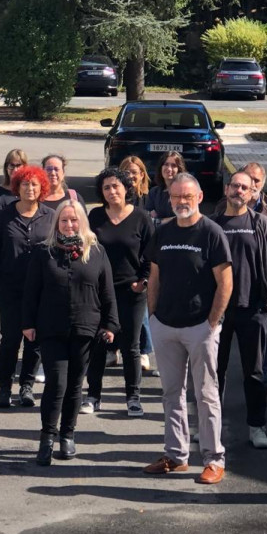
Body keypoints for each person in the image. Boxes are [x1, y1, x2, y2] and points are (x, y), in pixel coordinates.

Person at [142, 173, 232, 485]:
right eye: (176, 196)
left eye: (187, 196)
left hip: (200, 328)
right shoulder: (163, 232)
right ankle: (177, 455)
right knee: (171, 393)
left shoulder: (211, 232)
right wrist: (153, 316)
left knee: (206, 395)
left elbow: (225, 282)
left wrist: (212, 322)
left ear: (199, 196)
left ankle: (213, 459)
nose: (182, 201)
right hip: (165, 325)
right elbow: (154, 276)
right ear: (169, 197)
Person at [23, 201, 118, 465]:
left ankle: (68, 435)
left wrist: (110, 325)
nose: (69, 225)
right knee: (57, 383)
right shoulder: (44, 252)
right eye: (64, 221)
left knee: (76, 385)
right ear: (57, 224)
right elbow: (31, 290)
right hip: (51, 328)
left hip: (85, 327)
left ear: (82, 222)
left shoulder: (96, 251)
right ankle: (47, 438)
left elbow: (107, 290)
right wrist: (28, 323)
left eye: (74, 220)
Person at [211, 171, 267, 450]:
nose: (239, 191)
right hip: (218, 311)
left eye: (245, 187)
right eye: (235, 186)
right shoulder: (213, 224)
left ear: (253, 192)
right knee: (215, 371)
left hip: (253, 309)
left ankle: (257, 426)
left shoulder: (262, 224)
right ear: (227, 189)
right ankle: (210, 425)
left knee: (254, 373)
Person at [86, 167, 153, 417]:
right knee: (98, 345)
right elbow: (86, 249)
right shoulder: (94, 217)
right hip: (100, 292)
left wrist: (143, 280)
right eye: (106, 187)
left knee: (131, 347)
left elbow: (150, 253)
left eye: (116, 186)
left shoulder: (141, 218)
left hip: (132, 291)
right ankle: (93, 396)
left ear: (127, 188)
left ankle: (133, 398)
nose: (112, 191)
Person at [0, 165, 54, 408]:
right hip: (11, 289)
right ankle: (4, 388)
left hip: (40, 291)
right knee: (10, 340)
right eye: (25, 184)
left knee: (34, 341)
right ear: (18, 187)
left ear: (42, 188)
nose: (30, 188)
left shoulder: (50, 216)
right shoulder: (5, 215)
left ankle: (27, 387)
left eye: (35, 184)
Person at [119, 155, 158, 377]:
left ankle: (143, 350)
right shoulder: (117, 196)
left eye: (135, 172)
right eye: (126, 172)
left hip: (142, 260)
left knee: (140, 311)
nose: (131, 176)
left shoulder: (147, 199)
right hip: (120, 261)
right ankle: (112, 348)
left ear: (142, 175)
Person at [145, 151, 186, 221]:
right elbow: (147, 219)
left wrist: (160, 221)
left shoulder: (185, 192)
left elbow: (184, 218)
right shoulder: (154, 192)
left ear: (179, 169)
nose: (169, 169)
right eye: (166, 164)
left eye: (173, 166)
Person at [0, 149, 28, 222]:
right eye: (11, 165)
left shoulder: (30, 190)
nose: (15, 170)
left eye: (18, 165)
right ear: (6, 167)